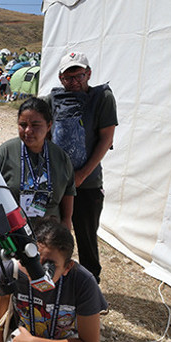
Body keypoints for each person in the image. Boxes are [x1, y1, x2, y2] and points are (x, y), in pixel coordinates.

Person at [0, 218, 107, 342]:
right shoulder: (12, 269)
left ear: (67, 267)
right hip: (26, 338)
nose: (38, 272)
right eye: (34, 260)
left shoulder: (83, 282)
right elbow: (4, 296)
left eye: (50, 267)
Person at [47, 52, 117, 283]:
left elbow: (106, 138)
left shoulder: (102, 97)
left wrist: (82, 174)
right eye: (68, 77)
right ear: (60, 78)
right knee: (54, 234)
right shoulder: (52, 100)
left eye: (79, 75)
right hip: (56, 183)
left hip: (88, 183)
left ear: (88, 73)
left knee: (86, 236)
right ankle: (55, 279)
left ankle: (90, 285)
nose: (74, 81)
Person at [0, 97, 75, 230]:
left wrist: (66, 221)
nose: (28, 131)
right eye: (23, 125)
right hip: (13, 232)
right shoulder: (4, 153)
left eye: (35, 125)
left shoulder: (60, 157)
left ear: (49, 126)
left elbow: (69, 190)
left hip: (49, 233)